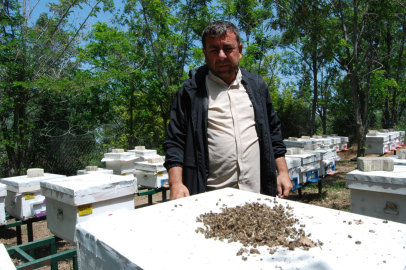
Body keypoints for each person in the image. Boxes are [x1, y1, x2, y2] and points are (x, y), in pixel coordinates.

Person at [163, 20, 292, 200]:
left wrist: (283, 172)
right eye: (214, 50)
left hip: (255, 192)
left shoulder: (257, 87)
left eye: (228, 48)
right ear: (205, 53)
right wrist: (176, 183)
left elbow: (273, 132)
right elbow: (175, 142)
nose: (221, 56)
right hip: (209, 195)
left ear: (239, 50)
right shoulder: (190, 92)